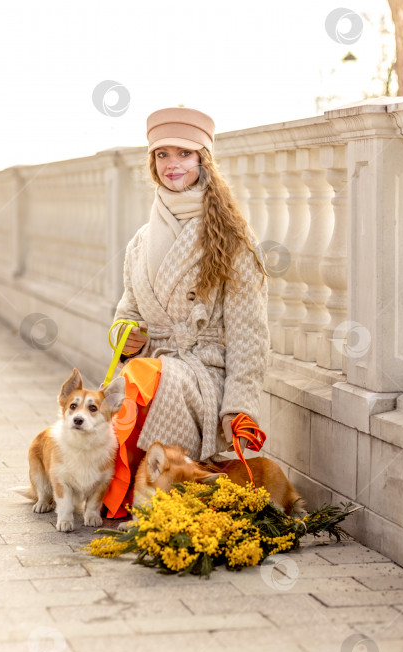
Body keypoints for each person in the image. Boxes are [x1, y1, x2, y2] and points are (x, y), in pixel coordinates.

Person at [102, 106, 270, 518]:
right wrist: (125, 335)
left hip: (202, 373)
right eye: (162, 155)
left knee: (155, 380)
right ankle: (121, 489)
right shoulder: (141, 242)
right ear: (152, 163)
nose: (172, 165)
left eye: (183, 154)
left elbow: (250, 332)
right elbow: (127, 311)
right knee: (135, 378)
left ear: (203, 161)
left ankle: (149, 496)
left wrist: (240, 407)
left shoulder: (231, 237)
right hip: (153, 364)